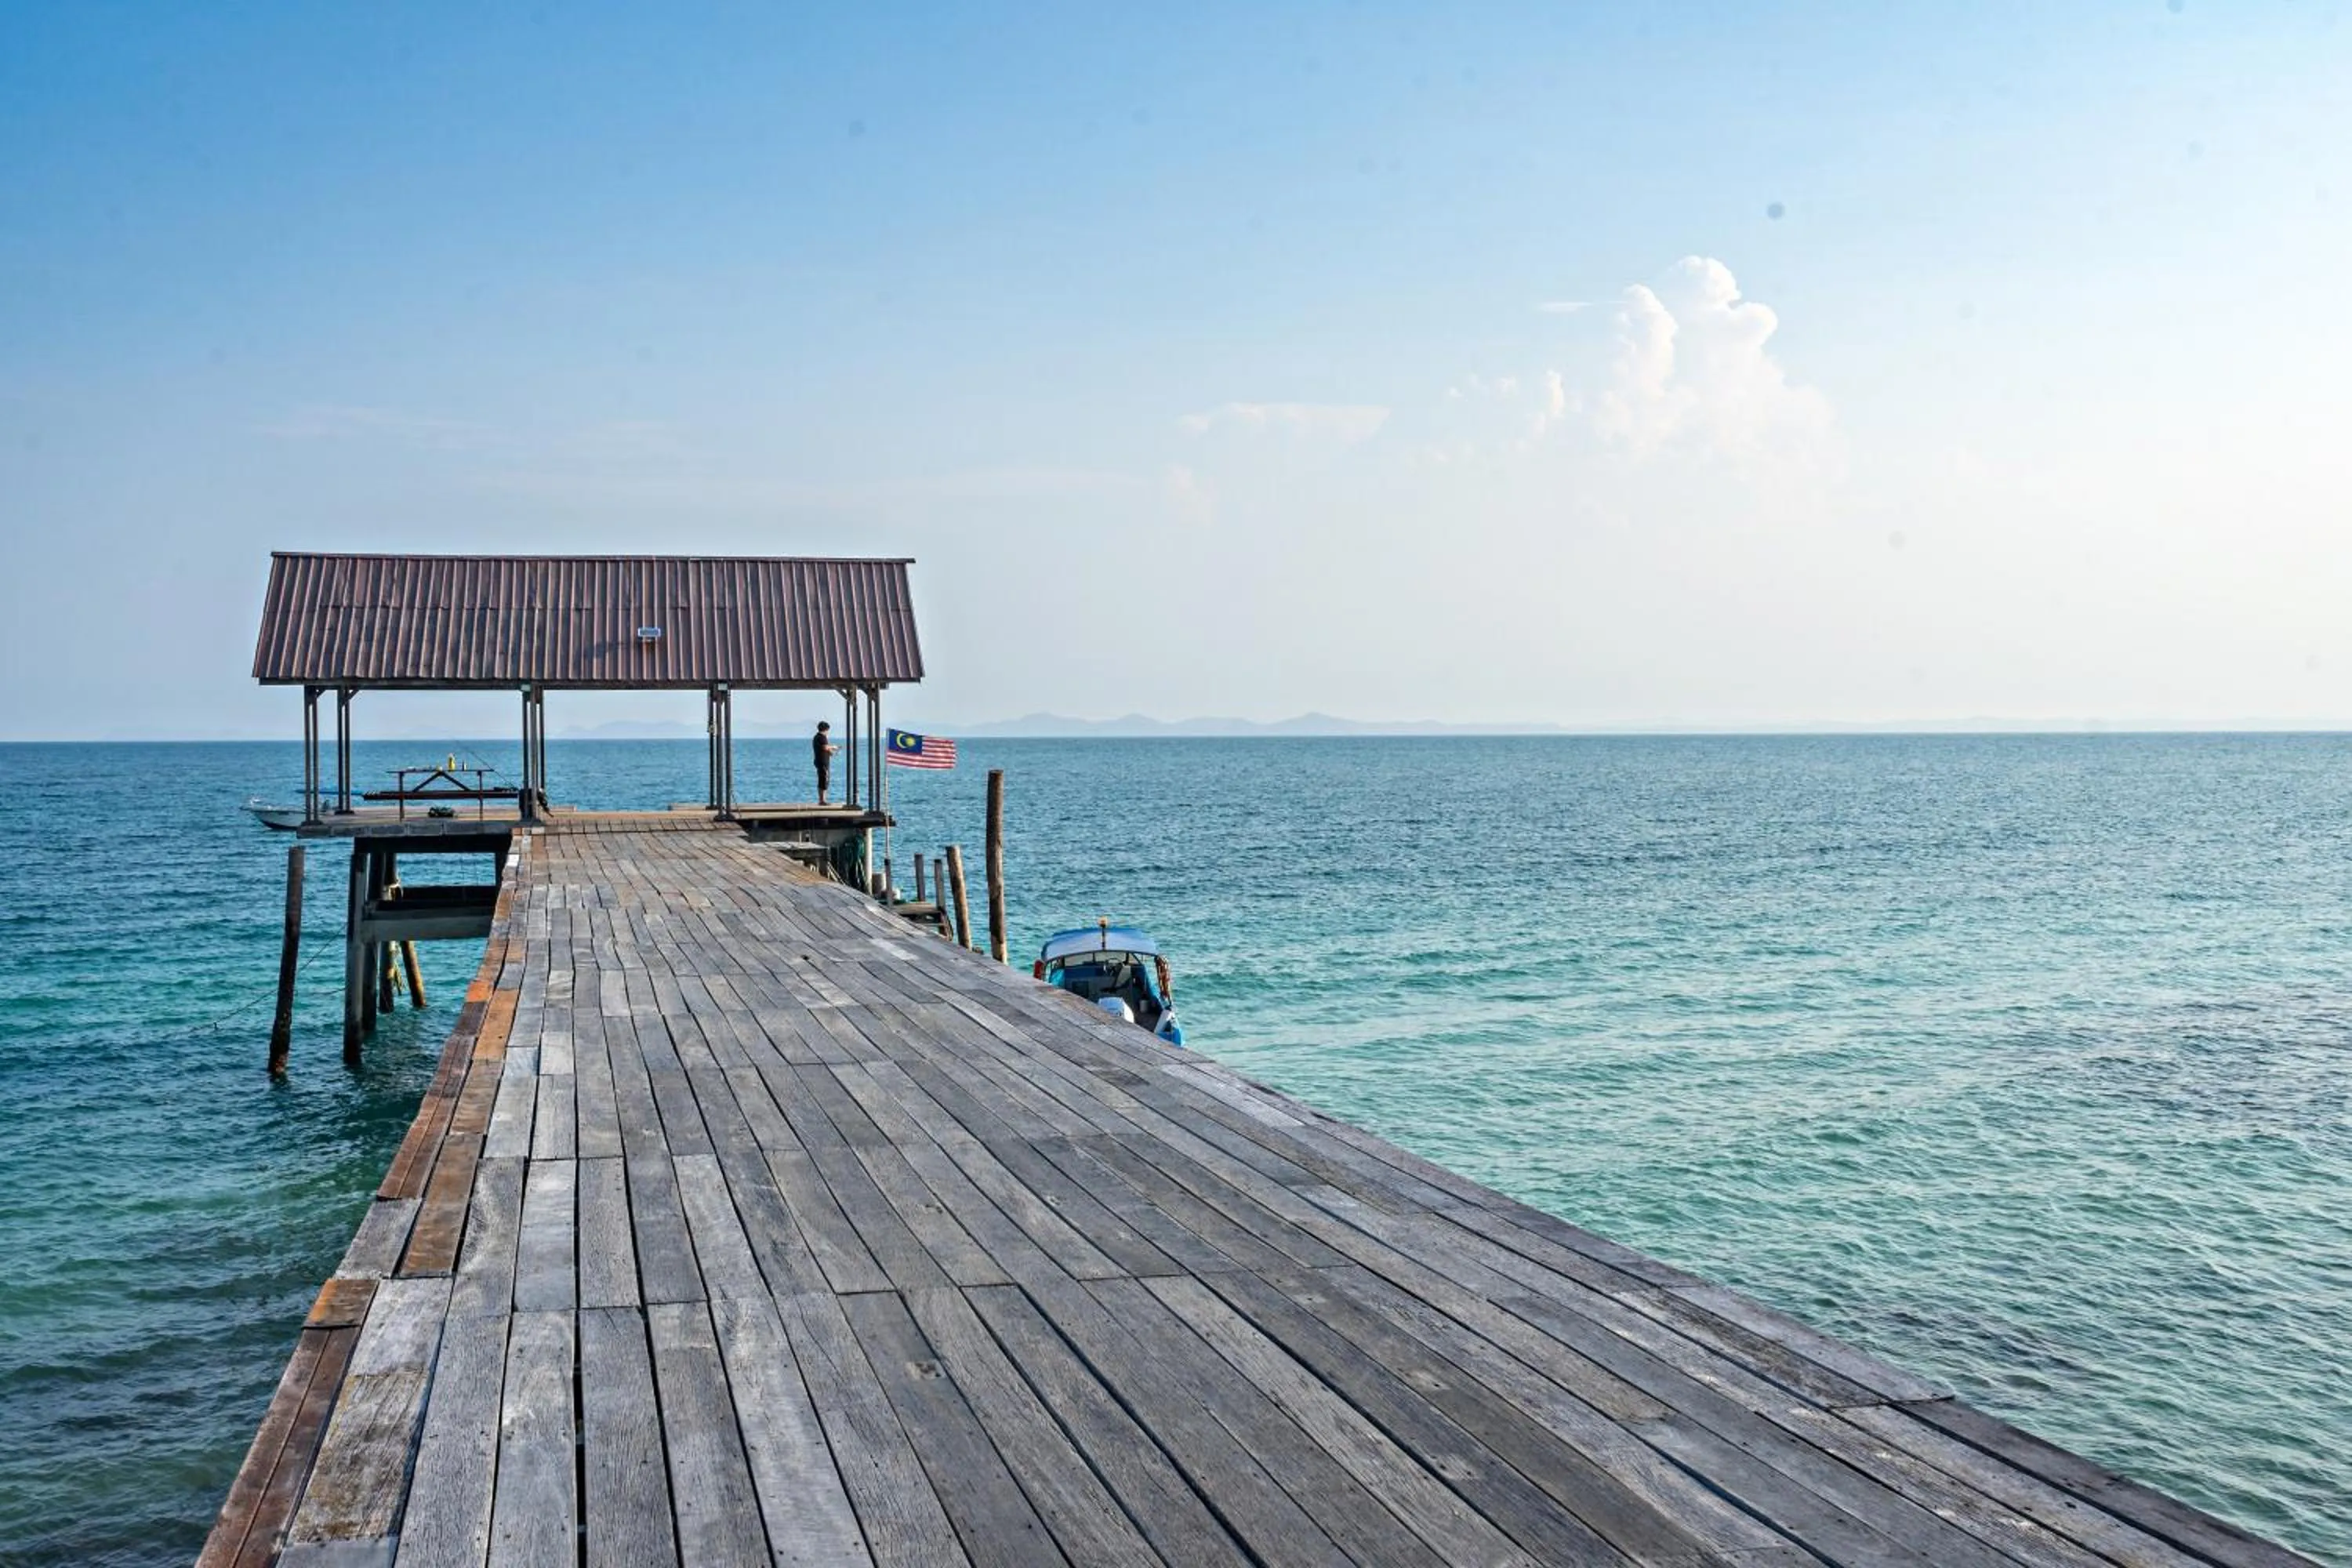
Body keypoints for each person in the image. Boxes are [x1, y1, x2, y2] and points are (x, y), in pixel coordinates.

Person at [812, 720, 839, 803]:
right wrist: (834, 747)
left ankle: (822, 799)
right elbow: (825, 748)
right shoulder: (822, 737)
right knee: (824, 780)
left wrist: (832, 753)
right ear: (825, 729)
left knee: (822, 779)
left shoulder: (816, 737)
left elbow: (825, 749)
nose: (828, 732)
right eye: (828, 730)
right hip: (823, 762)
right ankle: (822, 800)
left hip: (819, 761)